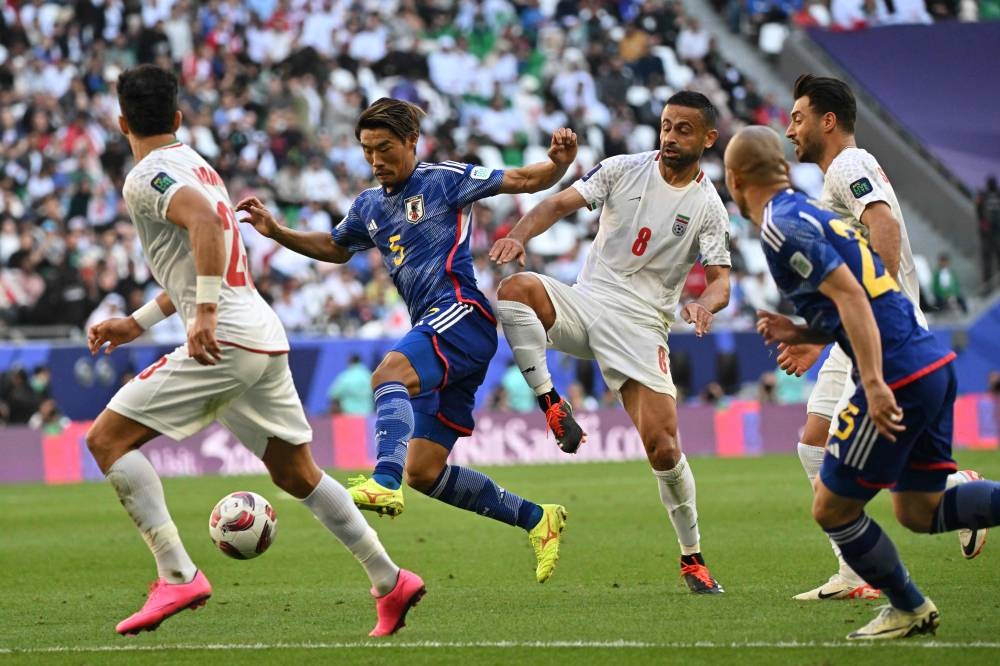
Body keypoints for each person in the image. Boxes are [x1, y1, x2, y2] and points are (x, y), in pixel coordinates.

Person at [86, 65, 424, 638]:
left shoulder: (146, 176)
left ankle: (177, 574)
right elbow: (205, 248)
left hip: (225, 336)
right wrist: (138, 323)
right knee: (296, 473)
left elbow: (202, 226)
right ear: (178, 117)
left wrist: (205, 314)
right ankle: (389, 579)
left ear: (122, 123)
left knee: (106, 441)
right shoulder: (198, 165)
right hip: (260, 334)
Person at [238, 97, 578, 584]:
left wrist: (558, 164)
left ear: (411, 141)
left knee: (388, 375)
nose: (375, 159)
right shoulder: (369, 205)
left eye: (384, 147)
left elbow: (524, 179)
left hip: (462, 313)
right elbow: (335, 247)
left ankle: (383, 479)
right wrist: (276, 231)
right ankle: (537, 518)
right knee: (425, 470)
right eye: (367, 150)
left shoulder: (443, 179)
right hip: (438, 329)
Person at [726, 125, 1000, 640]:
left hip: (896, 369)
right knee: (918, 509)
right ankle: (896, 598)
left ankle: (908, 606)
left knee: (832, 507)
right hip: (928, 359)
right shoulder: (810, 212)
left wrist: (872, 383)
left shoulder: (781, 227)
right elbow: (859, 294)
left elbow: (852, 297)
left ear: (734, 180)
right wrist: (804, 333)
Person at [489, 91, 731, 594]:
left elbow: (720, 280)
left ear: (709, 138)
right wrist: (519, 236)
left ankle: (692, 558)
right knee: (515, 290)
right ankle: (552, 404)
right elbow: (557, 203)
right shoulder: (623, 168)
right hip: (588, 300)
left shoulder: (708, 206)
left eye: (683, 129)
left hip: (643, 326)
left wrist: (705, 304)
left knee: (663, 448)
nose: (670, 136)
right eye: (666, 126)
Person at [781, 74, 986, 600]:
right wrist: (821, 334)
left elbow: (884, 227)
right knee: (813, 442)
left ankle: (955, 494)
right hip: (855, 332)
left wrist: (876, 311)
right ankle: (853, 574)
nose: (789, 130)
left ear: (828, 121)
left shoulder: (848, 164)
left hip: (882, 333)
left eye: (798, 118)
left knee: (889, 478)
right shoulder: (840, 174)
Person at [976, 175, 1000, 291]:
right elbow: (979, 212)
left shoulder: (988, 196)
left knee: (990, 259)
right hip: (989, 233)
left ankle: (989, 285)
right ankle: (987, 286)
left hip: (994, 233)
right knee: (987, 260)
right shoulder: (983, 196)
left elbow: (979, 212)